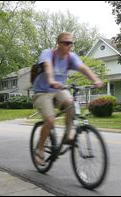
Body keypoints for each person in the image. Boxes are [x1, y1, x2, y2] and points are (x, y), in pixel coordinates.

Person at [33, 32, 104, 166]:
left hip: (59, 89)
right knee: (50, 119)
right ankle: (40, 149)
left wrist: (96, 79)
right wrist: (51, 80)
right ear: (58, 44)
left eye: (71, 43)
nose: (69, 45)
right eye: (66, 43)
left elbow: (83, 68)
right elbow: (47, 67)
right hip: (42, 91)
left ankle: (68, 134)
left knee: (71, 104)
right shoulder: (47, 53)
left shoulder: (71, 57)